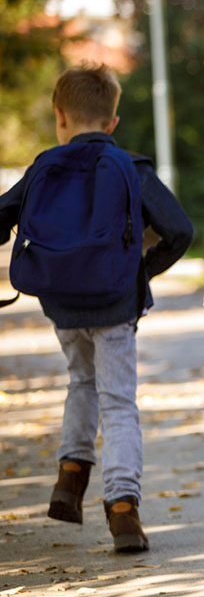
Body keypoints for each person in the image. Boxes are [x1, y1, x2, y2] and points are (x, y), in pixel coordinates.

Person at [0, 64, 193, 553]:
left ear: (59, 116)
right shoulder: (130, 167)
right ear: (112, 122)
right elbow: (180, 231)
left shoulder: (45, 165)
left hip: (61, 302)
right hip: (114, 303)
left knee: (80, 382)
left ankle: (70, 474)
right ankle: (123, 506)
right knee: (118, 401)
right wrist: (142, 272)